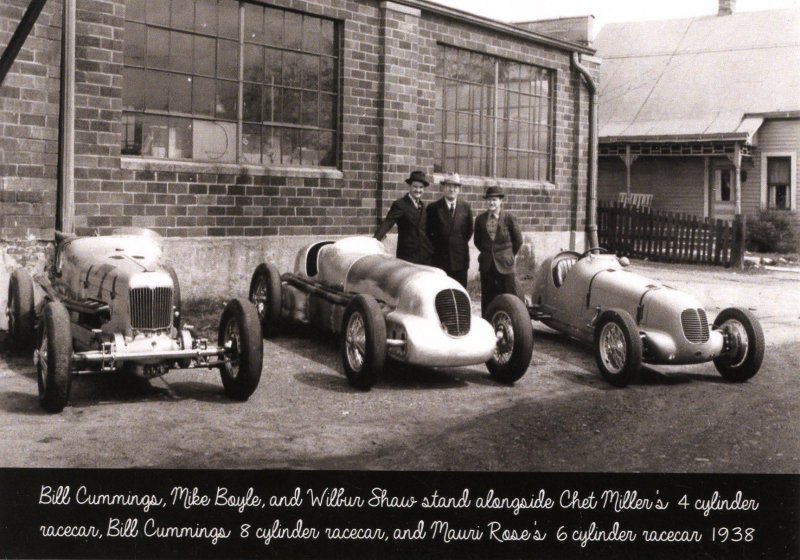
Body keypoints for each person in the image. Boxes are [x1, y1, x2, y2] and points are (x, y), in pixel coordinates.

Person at [473, 185, 523, 315]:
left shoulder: (509, 218)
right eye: (489, 200)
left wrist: (508, 255)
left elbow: (518, 241)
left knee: (509, 299)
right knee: (488, 299)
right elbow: (477, 242)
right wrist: (489, 253)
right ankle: (488, 327)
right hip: (487, 266)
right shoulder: (480, 219)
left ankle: (511, 325)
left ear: (501, 201)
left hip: (505, 265)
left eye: (494, 199)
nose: (491, 202)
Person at [374, 170, 433, 265]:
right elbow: (387, 223)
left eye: (421, 187)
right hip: (407, 256)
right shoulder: (400, 204)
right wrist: (375, 240)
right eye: (415, 186)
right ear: (410, 186)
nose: (418, 190)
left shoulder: (423, 206)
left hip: (424, 256)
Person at [426, 172, 473, 288]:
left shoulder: (466, 208)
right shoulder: (434, 208)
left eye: (455, 186)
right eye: (449, 186)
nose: (452, 189)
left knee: (460, 291)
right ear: (443, 187)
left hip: (460, 260)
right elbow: (428, 233)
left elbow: (468, 231)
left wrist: (456, 244)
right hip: (440, 260)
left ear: (459, 189)